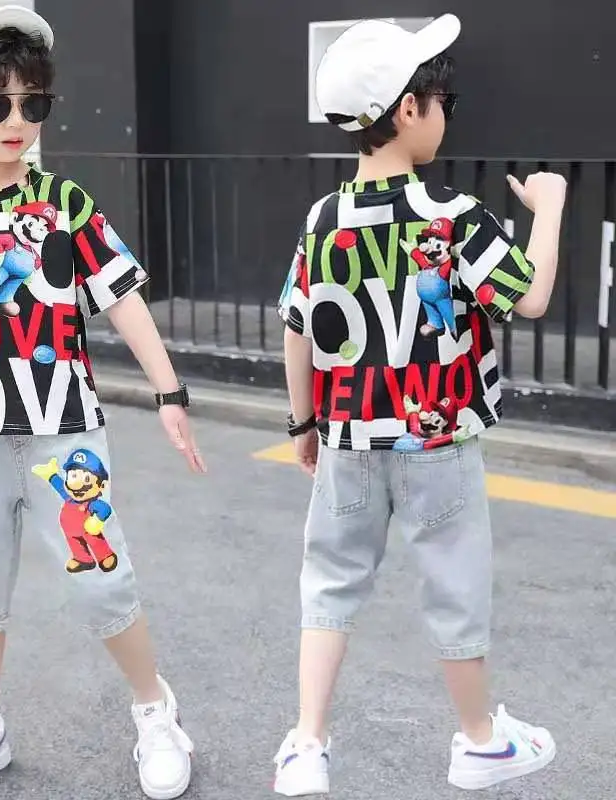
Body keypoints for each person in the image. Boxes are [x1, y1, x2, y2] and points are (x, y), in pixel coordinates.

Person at [0, 7, 206, 800]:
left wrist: (170, 390)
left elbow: (120, 294)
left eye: (33, 102)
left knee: (100, 577)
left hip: (64, 432)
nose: (17, 120)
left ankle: (154, 709)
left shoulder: (65, 203)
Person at [274, 14, 566, 796]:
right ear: (409, 110)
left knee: (329, 582)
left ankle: (307, 745)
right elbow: (530, 297)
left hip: (347, 436)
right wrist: (550, 206)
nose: (445, 113)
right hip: (438, 440)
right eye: (443, 101)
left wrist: (303, 423)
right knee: (453, 582)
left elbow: (298, 329)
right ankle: (479, 742)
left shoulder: (322, 220)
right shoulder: (454, 216)